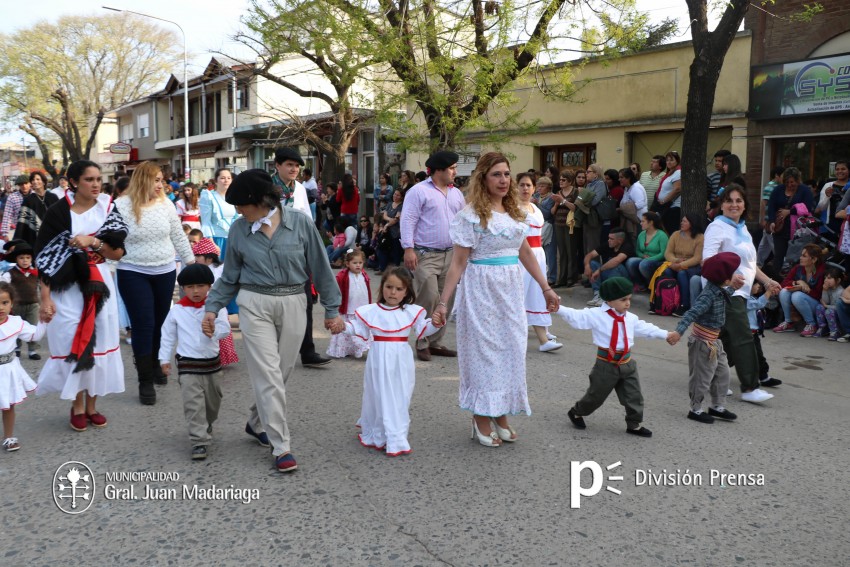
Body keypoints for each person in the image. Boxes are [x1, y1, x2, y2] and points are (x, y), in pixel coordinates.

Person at [202, 169, 343, 473]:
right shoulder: (240, 230)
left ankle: (256, 422)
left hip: (294, 301)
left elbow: (320, 267)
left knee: (280, 373)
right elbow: (230, 276)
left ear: (259, 200)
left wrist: (332, 309)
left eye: (241, 205)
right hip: (254, 303)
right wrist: (212, 307)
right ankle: (281, 446)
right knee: (268, 375)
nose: (237, 211)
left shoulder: (301, 223)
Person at [431, 152, 560, 447]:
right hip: (481, 289)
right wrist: (443, 302)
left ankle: (500, 414)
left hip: (511, 291)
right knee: (484, 353)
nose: (503, 180)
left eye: (506, 174)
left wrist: (546, 288)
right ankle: (480, 417)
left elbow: (525, 251)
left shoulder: (516, 213)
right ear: (483, 179)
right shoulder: (471, 215)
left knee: (511, 350)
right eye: (496, 175)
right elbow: (458, 264)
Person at [34, 159, 128, 430]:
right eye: (89, 179)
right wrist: (46, 298)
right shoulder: (58, 213)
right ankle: (76, 404)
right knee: (70, 340)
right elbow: (45, 259)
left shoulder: (108, 209)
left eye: (98, 179)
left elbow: (118, 253)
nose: (96, 184)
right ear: (74, 182)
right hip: (67, 290)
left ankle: (92, 405)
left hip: (100, 285)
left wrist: (93, 241)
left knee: (99, 342)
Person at [116, 161, 195, 405]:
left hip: (165, 270)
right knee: (144, 324)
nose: (161, 185)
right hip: (132, 271)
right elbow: (111, 239)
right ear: (143, 181)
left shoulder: (166, 205)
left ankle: (155, 362)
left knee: (161, 321)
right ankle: (145, 380)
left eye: (162, 180)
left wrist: (192, 265)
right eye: (157, 180)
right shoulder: (120, 206)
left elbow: (178, 236)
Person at [558, 277, 674, 438]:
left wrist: (666, 334)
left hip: (627, 363)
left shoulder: (630, 318)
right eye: (623, 299)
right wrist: (558, 308)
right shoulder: (597, 315)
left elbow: (645, 328)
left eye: (629, 299)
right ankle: (577, 412)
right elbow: (577, 317)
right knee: (596, 396)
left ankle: (634, 424)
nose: (628, 303)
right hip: (606, 364)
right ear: (609, 301)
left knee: (634, 396)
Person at [343, 267, 440, 456]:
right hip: (378, 359)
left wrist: (436, 323)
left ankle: (395, 434)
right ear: (382, 287)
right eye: (389, 287)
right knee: (378, 394)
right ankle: (383, 434)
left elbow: (423, 330)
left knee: (399, 395)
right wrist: (341, 326)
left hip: (401, 361)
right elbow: (357, 328)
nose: (393, 292)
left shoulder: (412, 312)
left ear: (406, 292)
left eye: (399, 289)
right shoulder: (370, 311)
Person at [704, 183, 783, 403]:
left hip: (742, 291)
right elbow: (708, 261)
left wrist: (767, 281)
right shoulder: (717, 227)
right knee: (743, 335)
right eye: (729, 200)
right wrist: (728, 279)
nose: (734, 205)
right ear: (721, 205)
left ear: (744, 205)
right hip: (724, 290)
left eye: (738, 200)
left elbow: (751, 264)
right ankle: (750, 387)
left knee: (725, 339)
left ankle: (711, 377)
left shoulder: (743, 229)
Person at [158, 263, 230, 460]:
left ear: (209, 286)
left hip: (212, 366)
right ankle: (199, 441)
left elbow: (226, 329)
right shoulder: (177, 311)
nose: (195, 291)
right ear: (183, 288)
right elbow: (167, 336)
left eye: (200, 286)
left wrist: (215, 331)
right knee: (193, 405)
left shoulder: (216, 308)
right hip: (188, 366)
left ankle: (207, 424)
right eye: (190, 287)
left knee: (212, 404)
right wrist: (164, 359)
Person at [400, 150, 466, 362]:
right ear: (439, 170)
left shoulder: (456, 193)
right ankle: (422, 341)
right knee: (427, 298)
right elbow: (408, 219)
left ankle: (435, 342)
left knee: (445, 300)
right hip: (425, 255)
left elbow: (463, 221)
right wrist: (408, 248)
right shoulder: (418, 191)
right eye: (452, 168)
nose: (455, 172)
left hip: (452, 255)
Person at [269, 148, 329, 367]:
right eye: (289, 165)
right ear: (277, 165)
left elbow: (307, 218)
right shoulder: (267, 187)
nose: (294, 169)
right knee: (276, 303)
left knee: (305, 301)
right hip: (272, 252)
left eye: (297, 166)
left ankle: (308, 351)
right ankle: (275, 351)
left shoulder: (301, 189)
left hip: (297, 251)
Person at [668, 252, 741, 424]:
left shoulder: (718, 291)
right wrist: (678, 331)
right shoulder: (708, 295)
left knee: (722, 374)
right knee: (701, 377)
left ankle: (717, 405)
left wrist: (734, 288)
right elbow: (691, 313)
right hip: (702, 342)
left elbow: (724, 296)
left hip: (715, 341)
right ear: (724, 278)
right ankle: (695, 408)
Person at [518, 172, 562, 352]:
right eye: (521, 185)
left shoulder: (535, 208)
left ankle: (543, 331)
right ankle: (541, 336)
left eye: (529, 185)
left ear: (534, 188)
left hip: (538, 253)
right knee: (522, 294)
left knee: (536, 292)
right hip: (522, 256)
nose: (525, 188)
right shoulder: (513, 208)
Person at [0, 282, 46, 452]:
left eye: (5, 303)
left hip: (9, 370)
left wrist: (44, 321)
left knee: (9, 405)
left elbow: (35, 335)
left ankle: (8, 437)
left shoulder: (16, 322)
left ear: (12, 303)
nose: (1, 308)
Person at [192, 238, 238, 367]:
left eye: (198, 256)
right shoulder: (200, 268)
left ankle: (220, 358)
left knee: (219, 329)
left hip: (217, 305)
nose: (195, 258)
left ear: (209, 258)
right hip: (203, 305)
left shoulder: (219, 269)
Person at [772, 243, 827, 337]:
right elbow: (784, 283)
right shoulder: (798, 268)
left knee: (796, 295)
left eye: (804, 256)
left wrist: (803, 289)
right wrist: (797, 282)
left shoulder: (821, 271)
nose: (800, 258)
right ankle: (788, 321)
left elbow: (820, 295)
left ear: (814, 259)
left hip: (818, 305)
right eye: (801, 255)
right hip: (802, 301)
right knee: (784, 291)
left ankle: (811, 324)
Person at [767, 167, 813, 273]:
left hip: (798, 229)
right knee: (778, 255)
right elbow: (771, 206)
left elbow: (808, 208)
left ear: (797, 180)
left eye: (792, 182)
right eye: (787, 182)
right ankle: (775, 278)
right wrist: (772, 221)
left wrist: (789, 212)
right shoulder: (778, 189)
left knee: (796, 256)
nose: (789, 185)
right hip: (780, 227)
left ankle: (795, 277)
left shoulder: (805, 190)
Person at [327, 249, 371, 359]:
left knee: (359, 328)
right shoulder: (342, 276)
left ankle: (358, 348)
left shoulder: (364, 275)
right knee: (346, 329)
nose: (358, 265)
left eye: (360, 263)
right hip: (348, 307)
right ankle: (343, 350)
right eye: (355, 263)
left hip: (361, 308)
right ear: (347, 264)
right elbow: (336, 289)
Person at [1, 243, 42, 359]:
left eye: (28, 258)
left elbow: (42, 287)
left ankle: (32, 350)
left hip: (33, 304)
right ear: (16, 259)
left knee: (33, 326)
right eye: (21, 258)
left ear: (31, 259)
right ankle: (17, 347)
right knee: (16, 327)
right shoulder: (10, 273)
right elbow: (3, 286)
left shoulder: (35, 273)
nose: (25, 261)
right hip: (17, 306)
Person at [661, 213, 704, 317]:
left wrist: (680, 265)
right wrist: (675, 261)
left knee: (682, 274)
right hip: (675, 263)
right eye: (682, 221)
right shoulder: (675, 234)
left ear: (692, 223)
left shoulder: (700, 237)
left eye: (685, 221)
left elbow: (697, 258)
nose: (682, 223)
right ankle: (669, 303)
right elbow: (668, 252)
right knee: (666, 271)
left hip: (693, 266)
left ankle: (684, 304)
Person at [584, 229, 634, 307]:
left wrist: (599, 270)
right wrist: (587, 266)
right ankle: (598, 294)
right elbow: (590, 255)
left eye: (611, 239)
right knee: (592, 263)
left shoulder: (627, 247)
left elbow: (617, 261)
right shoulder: (608, 244)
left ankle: (608, 296)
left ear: (620, 240)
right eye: (609, 238)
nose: (609, 240)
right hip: (609, 274)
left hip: (623, 279)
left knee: (614, 264)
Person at [199, 168, 238, 259]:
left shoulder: (234, 196)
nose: (226, 181)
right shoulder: (209, 196)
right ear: (216, 181)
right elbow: (206, 222)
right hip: (217, 239)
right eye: (222, 178)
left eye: (229, 178)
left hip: (234, 239)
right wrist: (211, 244)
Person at [747, 281, 780, 386]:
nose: (758, 286)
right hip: (744, 333)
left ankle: (764, 377)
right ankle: (715, 375)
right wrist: (769, 292)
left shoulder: (751, 297)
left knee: (759, 357)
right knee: (730, 357)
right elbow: (758, 304)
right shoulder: (742, 299)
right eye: (756, 284)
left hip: (753, 334)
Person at [14, 171, 59, 247]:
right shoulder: (28, 200)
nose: (35, 182)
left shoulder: (53, 197)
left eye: (38, 179)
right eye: (33, 180)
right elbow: (22, 222)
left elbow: (61, 216)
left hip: (54, 236)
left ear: (44, 182)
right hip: (34, 238)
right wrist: (16, 242)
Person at [625, 212, 668, 291]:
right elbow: (637, 250)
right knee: (630, 261)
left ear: (651, 222)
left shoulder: (662, 235)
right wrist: (642, 256)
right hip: (644, 259)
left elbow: (663, 254)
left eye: (643, 221)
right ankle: (641, 284)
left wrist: (648, 259)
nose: (640, 223)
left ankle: (651, 284)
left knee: (644, 264)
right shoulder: (641, 234)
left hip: (658, 261)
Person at [552, 170, 580, 288]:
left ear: (570, 181)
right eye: (560, 180)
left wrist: (563, 201)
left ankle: (571, 278)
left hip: (571, 225)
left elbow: (575, 208)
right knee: (562, 252)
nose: (561, 182)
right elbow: (553, 212)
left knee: (571, 251)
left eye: (563, 180)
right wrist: (557, 203)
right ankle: (561, 278)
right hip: (558, 224)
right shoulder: (558, 192)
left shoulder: (575, 191)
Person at [757, 166, 784, 267]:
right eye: (783, 175)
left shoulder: (776, 186)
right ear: (777, 175)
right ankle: (779, 264)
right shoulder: (771, 186)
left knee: (764, 245)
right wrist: (763, 219)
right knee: (774, 244)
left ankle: (758, 264)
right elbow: (764, 203)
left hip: (770, 220)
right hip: (770, 220)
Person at [815, 159, 848, 235]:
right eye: (837, 169)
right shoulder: (828, 185)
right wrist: (827, 196)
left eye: (843, 169)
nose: (840, 171)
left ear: (848, 171)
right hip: (832, 224)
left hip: (848, 223)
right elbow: (821, 207)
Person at [535, 176, 557, 285]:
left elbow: (548, 214)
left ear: (548, 187)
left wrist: (536, 204)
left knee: (550, 253)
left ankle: (551, 277)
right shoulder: (536, 196)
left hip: (548, 227)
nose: (539, 188)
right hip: (538, 227)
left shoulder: (551, 197)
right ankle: (541, 275)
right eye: (538, 185)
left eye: (542, 186)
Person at [655, 151, 682, 234]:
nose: (668, 162)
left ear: (677, 161)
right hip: (666, 207)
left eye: (671, 160)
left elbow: (677, 189)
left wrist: (664, 201)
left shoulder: (678, 172)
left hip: (672, 207)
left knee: (670, 230)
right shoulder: (670, 173)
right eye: (667, 160)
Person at [617, 167, 648, 240]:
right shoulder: (627, 188)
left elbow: (640, 204)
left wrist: (625, 209)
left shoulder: (636, 188)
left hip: (638, 221)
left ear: (629, 178)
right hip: (631, 220)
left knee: (637, 242)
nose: (619, 180)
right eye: (619, 177)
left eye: (622, 177)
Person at [815, 268, 845, 339]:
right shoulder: (828, 288)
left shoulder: (840, 291)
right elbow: (826, 301)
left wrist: (826, 306)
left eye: (829, 278)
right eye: (825, 278)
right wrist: (824, 290)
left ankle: (835, 331)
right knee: (819, 307)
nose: (825, 280)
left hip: (838, 316)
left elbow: (837, 307)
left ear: (838, 280)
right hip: (830, 310)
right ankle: (823, 328)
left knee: (829, 311)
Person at [1, 175, 31, 241]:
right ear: (18, 185)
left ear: (30, 183)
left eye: (26, 183)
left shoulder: (35, 195)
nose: (24, 186)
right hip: (19, 230)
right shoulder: (12, 197)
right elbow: (7, 215)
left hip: (34, 230)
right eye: (21, 184)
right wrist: (5, 234)